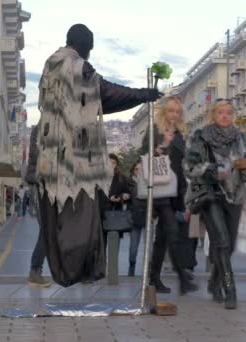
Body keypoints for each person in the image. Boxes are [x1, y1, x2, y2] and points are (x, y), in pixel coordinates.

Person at [35, 24, 161, 287]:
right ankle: (77, 271)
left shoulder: (50, 66)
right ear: (85, 46)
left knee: (55, 216)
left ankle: (64, 269)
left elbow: (94, 99)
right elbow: (105, 93)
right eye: (89, 49)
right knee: (79, 218)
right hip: (76, 159)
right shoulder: (78, 66)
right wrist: (143, 95)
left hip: (50, 156)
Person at [185, 98, 246, 310]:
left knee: (229, 245)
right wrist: (212, 170)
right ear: (213, 115)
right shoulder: (200, 136)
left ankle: (214, 281)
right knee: (222, 241)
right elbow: (189, 166)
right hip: (210, 194)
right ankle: (230, 290)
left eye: (228, 112)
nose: (225, 116)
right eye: (220, 112)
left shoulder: (240, 138)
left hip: (234, 195)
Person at [142, 96, 198, 295]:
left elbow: (183, 165)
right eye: (170, 111)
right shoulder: (155, 130)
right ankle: (182, 278)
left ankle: (153, 277)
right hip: (160, 191)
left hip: (177, 191)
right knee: (172, 232)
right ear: (164, 112)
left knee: (163, 238)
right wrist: (162, 146)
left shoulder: (181, 134)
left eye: (177, 112)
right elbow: (144, 155)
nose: (174, 115)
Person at [24, 125, 51, 287]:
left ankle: (36, 271)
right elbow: (39, 155)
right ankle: (35, 271)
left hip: (45, 184)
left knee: (50, 230)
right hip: (40, 183)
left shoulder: (49, 126)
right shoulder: (44, 127)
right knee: (47, 230)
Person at [127, 161, 146, 277]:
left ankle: (148, 268)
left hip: (148, 217)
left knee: (150, 247)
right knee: (133, 247)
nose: (139, 171)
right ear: (133, 171)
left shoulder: (150, 182)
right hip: (134, 217)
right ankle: (132, 265)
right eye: (137, 169)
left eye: (142, 169)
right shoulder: (129, 183)